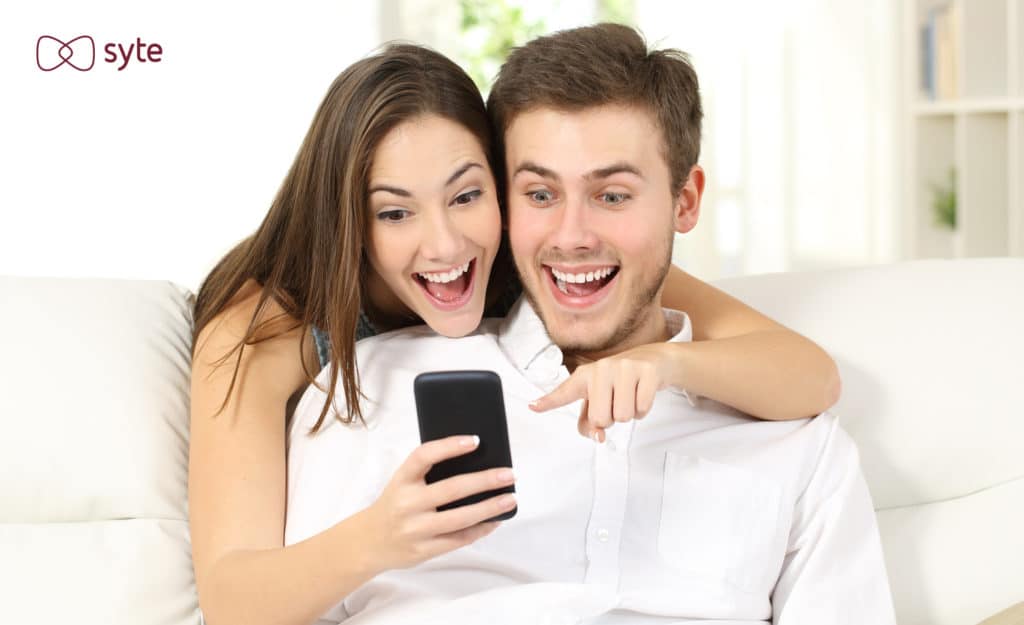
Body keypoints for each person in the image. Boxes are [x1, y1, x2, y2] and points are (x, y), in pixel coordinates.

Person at [188, 42, 842, 625]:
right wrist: (380, 537)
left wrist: (654, 362)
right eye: (394, 211)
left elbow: (808, 372)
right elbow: (230, 599)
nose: (444, 243)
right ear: (347, 221)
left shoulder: (542, 257)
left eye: (467, 195)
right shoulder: (265, 331)